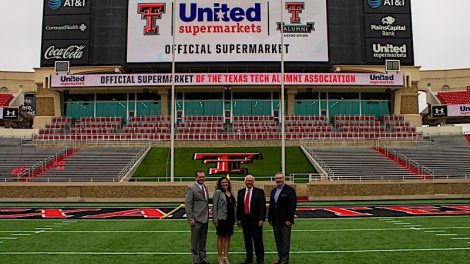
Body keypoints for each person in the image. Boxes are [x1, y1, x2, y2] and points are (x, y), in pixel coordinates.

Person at [268, 172, 297, 264]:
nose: (278, 180)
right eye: (277, 178)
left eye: (280, 178)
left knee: (285, 242)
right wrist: (270, 219)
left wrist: (290, 219)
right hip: (275, 220)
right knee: (278, 242)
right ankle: (281, 259)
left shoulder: (290, 190)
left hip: (285, 221)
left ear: (284, 179)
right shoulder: (273, 191)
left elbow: (292, 206)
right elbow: (272, 205)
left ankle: (284, 261)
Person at [236, 175, 266, 264]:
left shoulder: (259, 192)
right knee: (247, 241)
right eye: (247, 181)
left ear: (253, 182)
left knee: (258, 241)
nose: (249, 182)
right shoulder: (241, 192)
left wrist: (261, 219)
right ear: (245, 182)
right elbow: (239, 207)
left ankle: (260, 259)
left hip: (256, 220)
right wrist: (238, 219)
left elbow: (262, 207)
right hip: (245, 220)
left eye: (251, 181)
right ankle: (249, 259)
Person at [185, 171, 210, 264]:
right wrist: (190, 218)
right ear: (196, 177)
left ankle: (203, 259)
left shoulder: (205, 187)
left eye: (203, 177)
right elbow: (188, 204)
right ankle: (195, 261)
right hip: (196, 219)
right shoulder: (191, 188)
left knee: (203, 241)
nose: (202, 179)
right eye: (200, 177)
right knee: (195, 242)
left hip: (205, 218)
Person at [212, 176, 236, 264]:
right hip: (221, 219)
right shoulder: (218, 192)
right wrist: (215, 220)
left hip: (230, 219)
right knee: (221, 237)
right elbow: (214, 206)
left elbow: (234, 206)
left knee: (228, 237)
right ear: (220, 184)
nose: (225, 184)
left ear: (228, 183)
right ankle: (220, 257)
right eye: (223, 183)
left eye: (226, 182)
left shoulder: (232, 191)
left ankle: (225, 256)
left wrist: (236, 218)